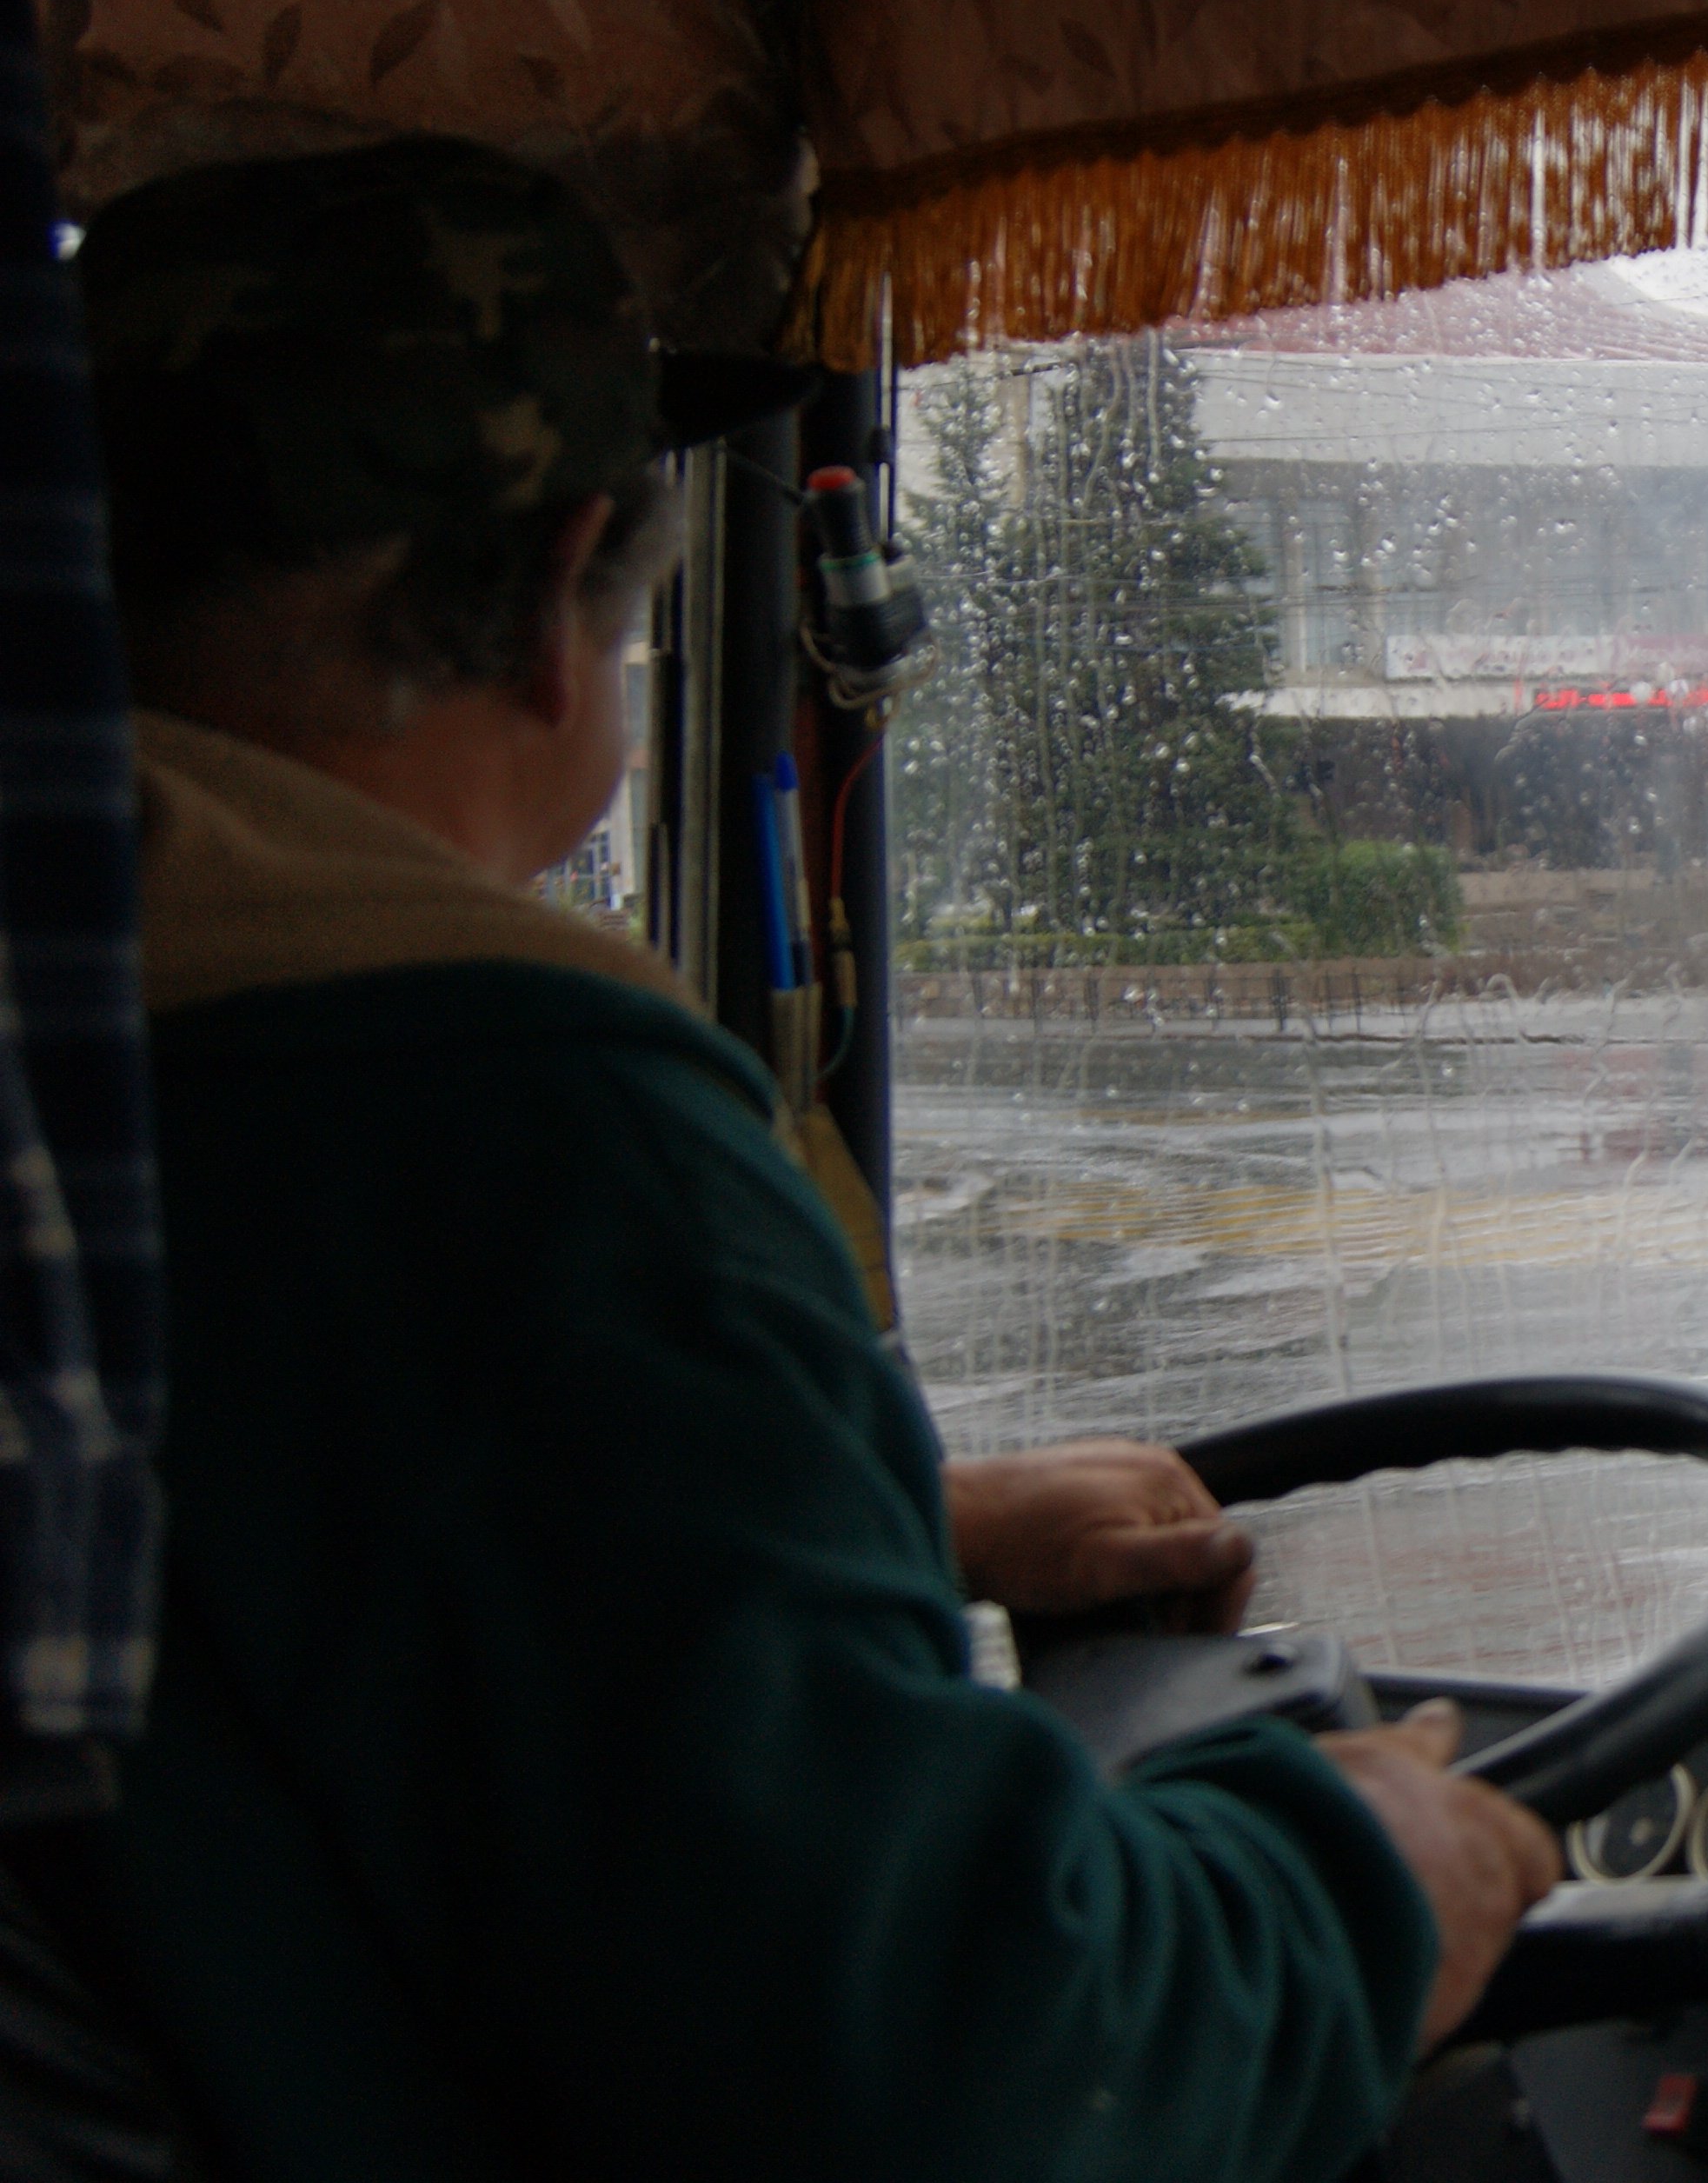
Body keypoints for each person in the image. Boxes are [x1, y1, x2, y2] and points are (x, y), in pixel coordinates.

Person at [36, 136, 1556, 2180]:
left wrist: (894, 1516)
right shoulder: (522, 1139)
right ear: (566, 596)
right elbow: (962, 2075)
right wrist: (1372, 1873)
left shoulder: (95, 1048)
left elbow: (271, 1554)